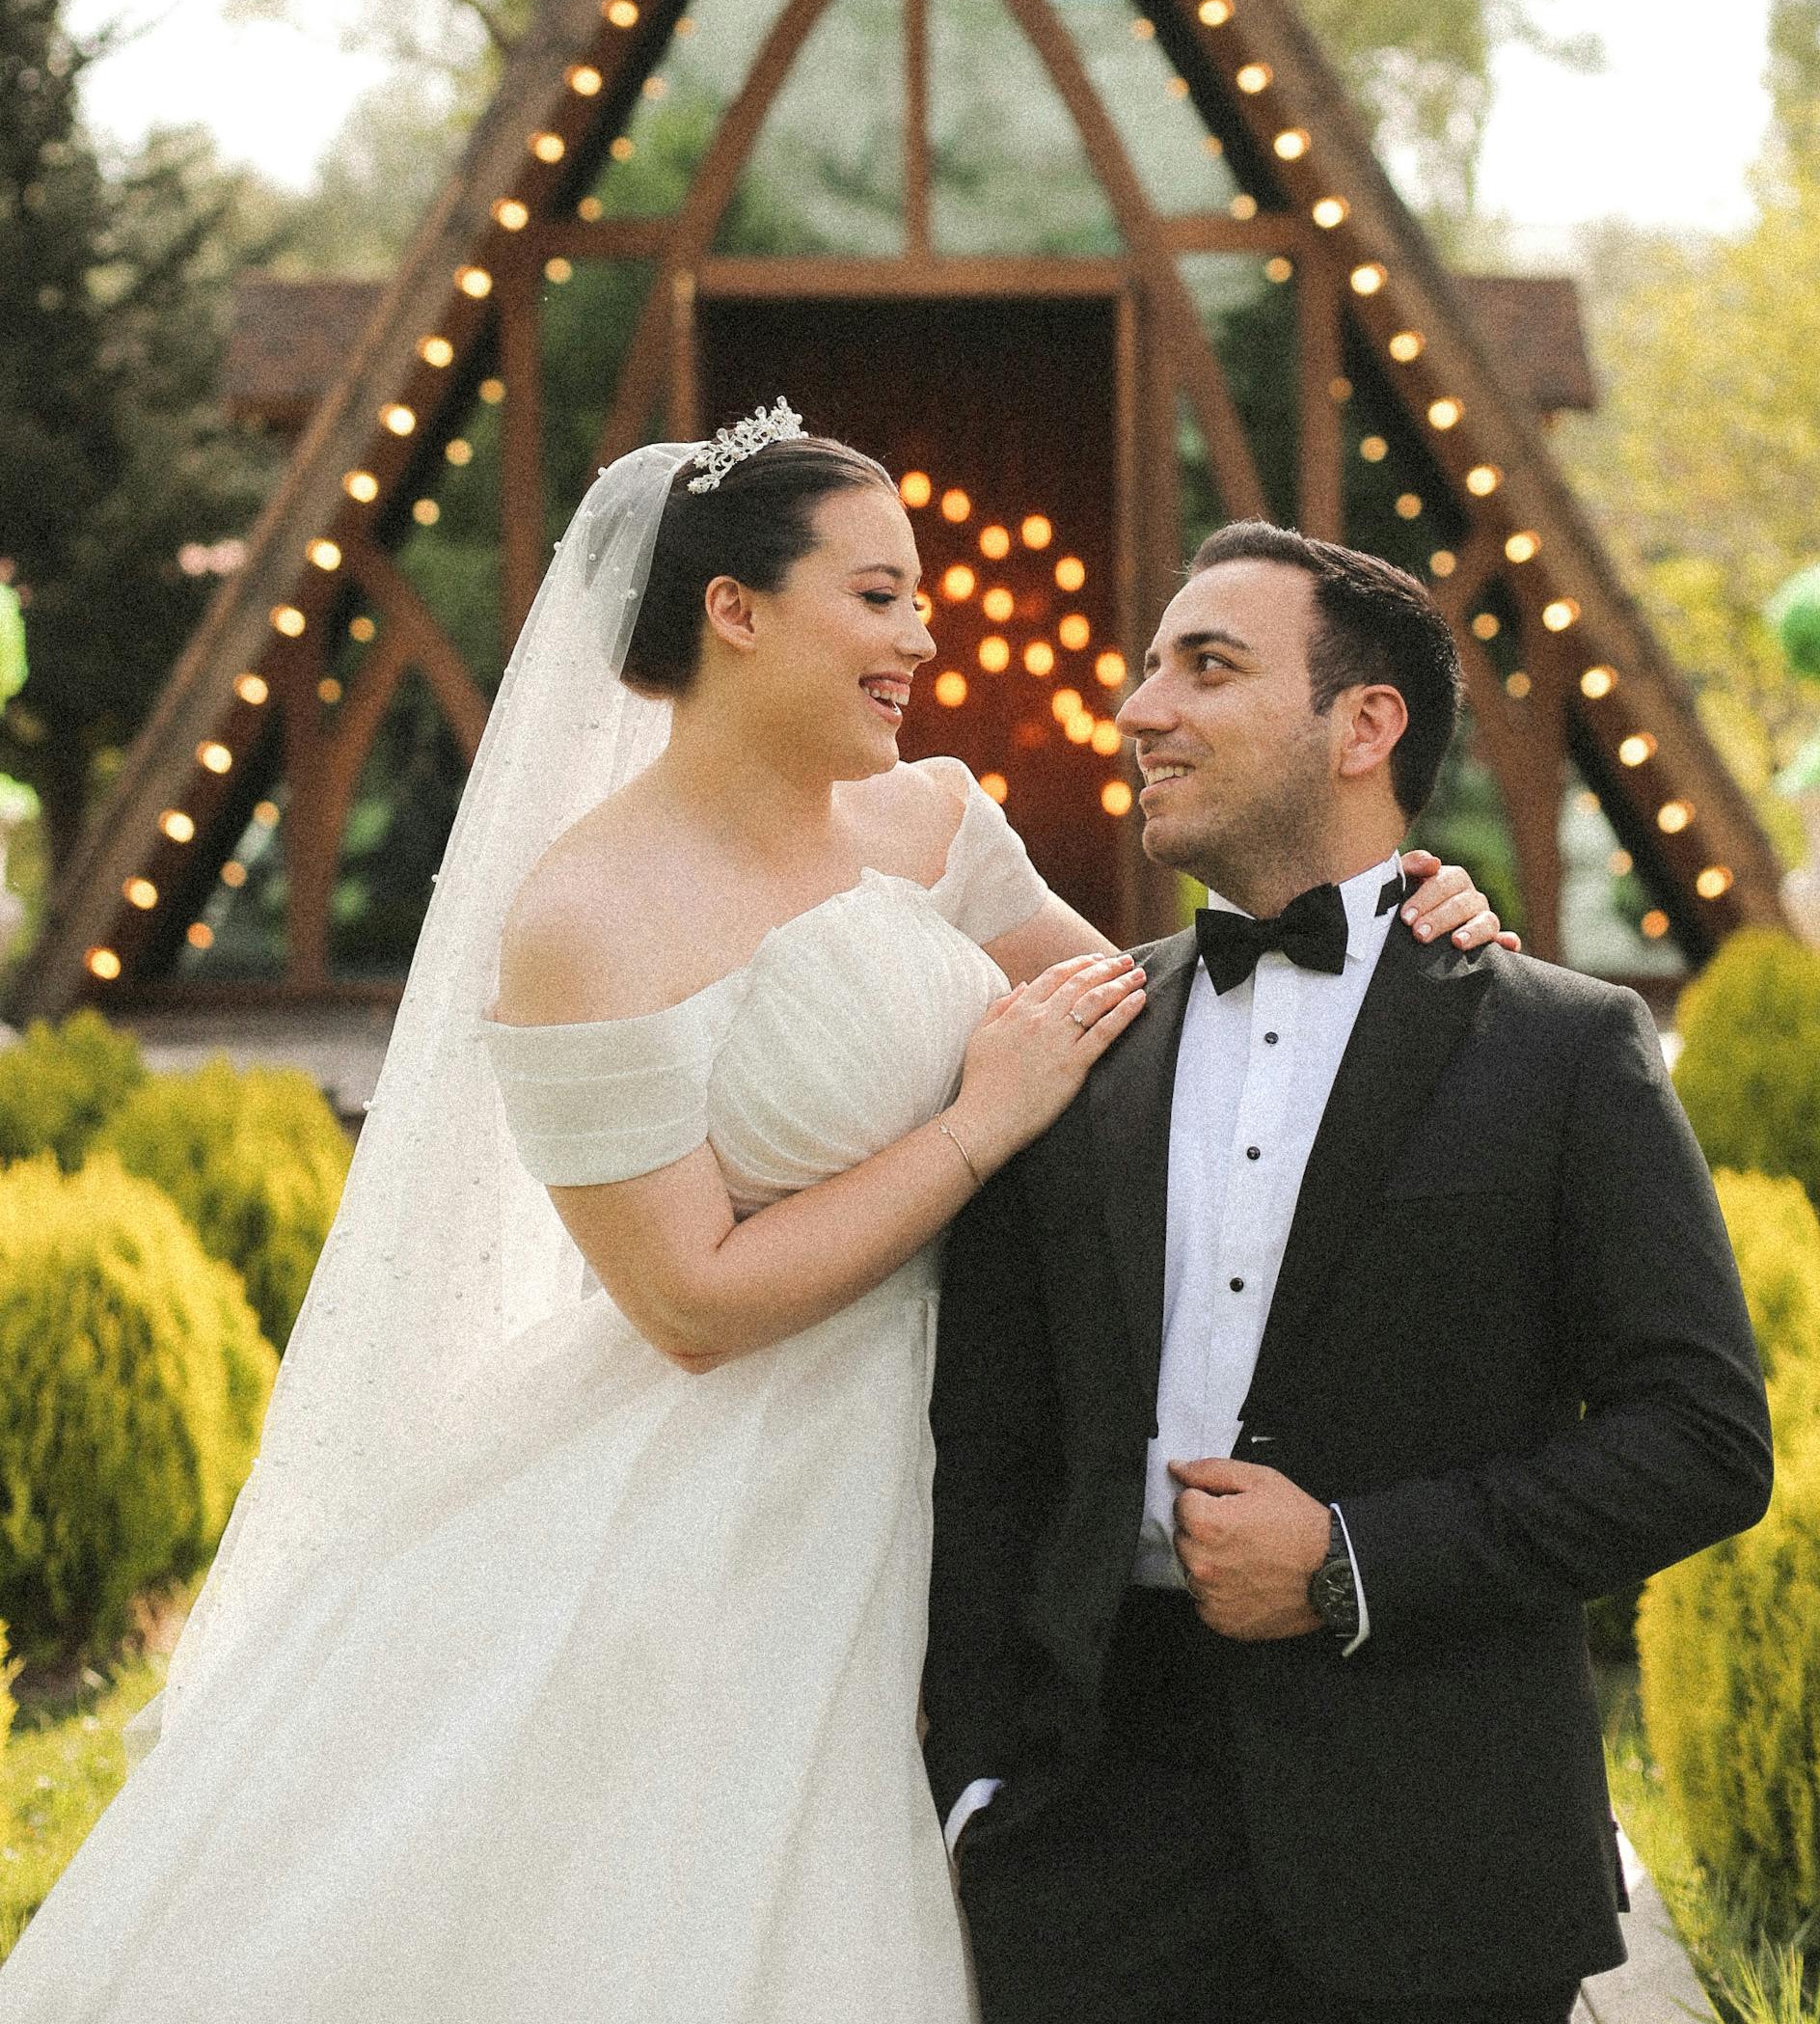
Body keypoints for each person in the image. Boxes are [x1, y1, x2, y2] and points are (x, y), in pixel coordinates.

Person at [0, 424, 1509, 2023]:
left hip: (985, 1449)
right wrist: (975, 1122)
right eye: (876, 595)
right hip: (740, 1497)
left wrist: (1389, 921)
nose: (921, 638)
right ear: (734, 610)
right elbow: (688, 1299)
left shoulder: (935, 819)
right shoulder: (583, 916)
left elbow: (1155, 1032)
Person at [924, 520, 1777, 2024]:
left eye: (1208, 665)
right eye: (1147, 667)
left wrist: (1353, 1559)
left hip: (1440, 1846)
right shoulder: (1080, 1043)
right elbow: (986, 1443)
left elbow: (1704, 1441)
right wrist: (979, 1784)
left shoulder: (1562, 1046)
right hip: (1089, 1851)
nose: (1137, 710)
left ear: (1364, 724)